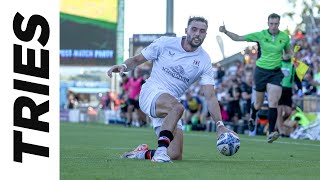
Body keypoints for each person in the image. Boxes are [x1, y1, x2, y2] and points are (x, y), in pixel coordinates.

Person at [107, 16, 237, 162]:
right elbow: (137, 59)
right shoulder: (165, 43)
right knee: (177, 108)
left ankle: (141, 153)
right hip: (152, 92)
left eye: (202, 31)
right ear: (186, 30)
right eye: (194, 29)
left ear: (205, 35)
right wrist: (123, 67)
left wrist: (220, 125)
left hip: (170, 105)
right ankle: (161, 151)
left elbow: (210, 96)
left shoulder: (204, 60)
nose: (197, 34)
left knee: (174, 155)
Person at [219, 13, 291, 143]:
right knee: (257, 104)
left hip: (275, 72)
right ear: (268, 23)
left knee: (273, 102)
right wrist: (225, 31)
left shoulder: (284, 37)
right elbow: (238, 38)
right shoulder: (260, 35)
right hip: (261, 71)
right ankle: (252, 116)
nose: (274, 26)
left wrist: (287, 56)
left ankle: (272, 131)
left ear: (279, 24)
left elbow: (288, 52)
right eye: (271, 23)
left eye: (276, 24)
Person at [276, 58, 302, 136]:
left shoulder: (293, 65)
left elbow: (297, 79)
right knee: (279, 111)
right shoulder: (278, 63)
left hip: (288, 91)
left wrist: (300, 89)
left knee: (288, 111)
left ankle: (280, 125)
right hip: (279, 89)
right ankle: (281, 131)